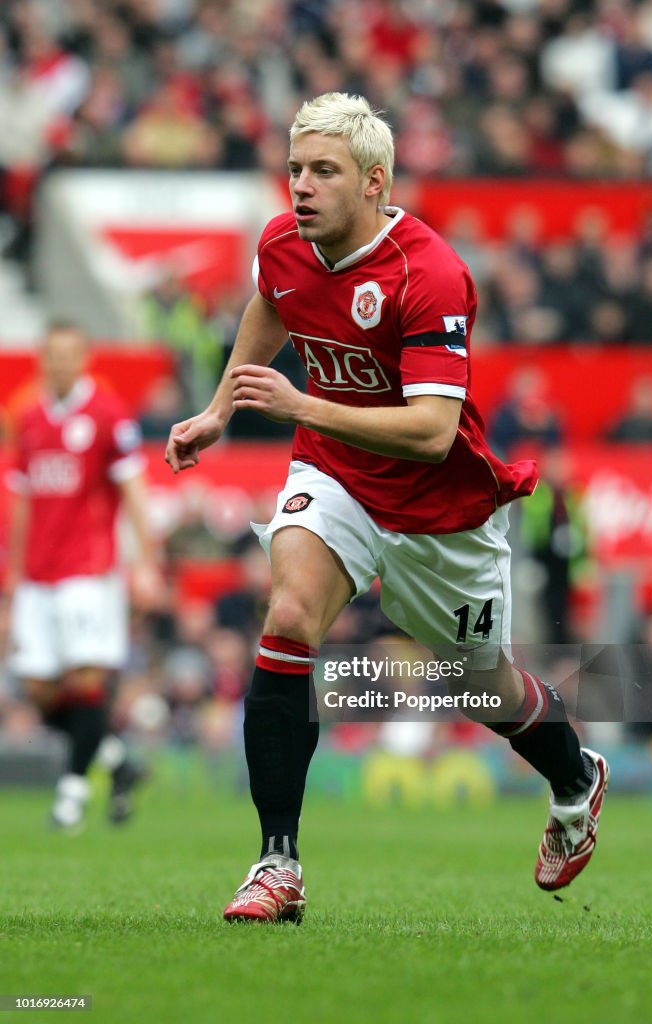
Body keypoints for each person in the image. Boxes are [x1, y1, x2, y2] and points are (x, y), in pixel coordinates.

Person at [165, 93, 610, 923]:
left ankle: (574, 778)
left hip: (439, 514)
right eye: (295, 168)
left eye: (322, 171)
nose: (300, 186)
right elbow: (273, 300)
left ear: (373, 182)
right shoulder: (281, 241)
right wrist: (222, 410)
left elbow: (433, 431)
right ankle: (276, 865)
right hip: (335, 475)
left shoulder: (428, 273)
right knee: (289, 613)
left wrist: (300, 407)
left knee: (483, 686)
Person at [1, 323, 163, 829]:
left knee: (88, 680)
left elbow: (134, 490)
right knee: (40, 688)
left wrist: (147, 562)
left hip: (89, 573)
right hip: (37, 576)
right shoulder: (28, 420)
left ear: (85, 358)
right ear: (42, 360)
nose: (61, 363)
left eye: (70, 354)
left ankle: (69, 798)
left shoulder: (107, 416)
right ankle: (118, 762)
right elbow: (23, 500)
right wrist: (13, 572)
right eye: (52, 355)